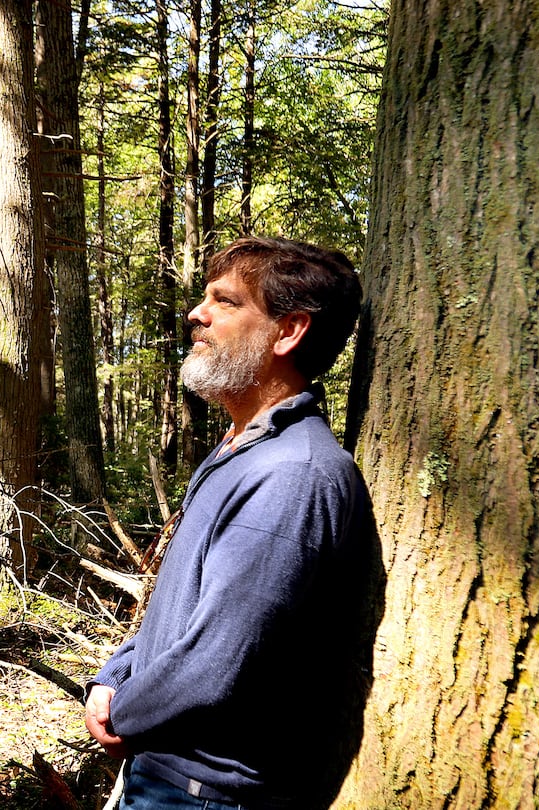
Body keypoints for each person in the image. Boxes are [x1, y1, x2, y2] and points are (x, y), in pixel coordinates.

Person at [84, 237, 378, 809]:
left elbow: (221, 658)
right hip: (168, 772)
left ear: (288, 331)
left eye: (225, 300)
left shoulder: (294, 473)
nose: (198, 313)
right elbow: (179, 609)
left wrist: (125, 711)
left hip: (205, 793)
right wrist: (115, 673)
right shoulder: (240, 448)